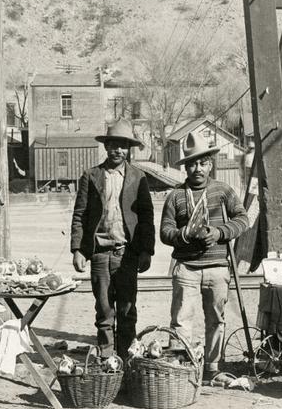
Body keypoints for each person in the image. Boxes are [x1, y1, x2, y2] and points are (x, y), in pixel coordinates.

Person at [160, 133, 249, 384]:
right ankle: (182, 370)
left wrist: (220, 232)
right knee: (181, 322)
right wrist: (184, 234)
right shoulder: (176, 196)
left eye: (203, 163)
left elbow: (243, 219)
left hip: (218, 268)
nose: (197, 168)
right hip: (186, 268)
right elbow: (165, 232)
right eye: (192, 164)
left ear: (211, 164)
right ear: (186, 167)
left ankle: (213, 369)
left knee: (216, 320)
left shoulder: (223, 191)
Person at [71, 118, 154, 358]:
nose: (118, 150)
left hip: (126, 253)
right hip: (99, 254)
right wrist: (78, 248)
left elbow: (147, 217)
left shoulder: (139, 178)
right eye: (114, 144)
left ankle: (127, 360)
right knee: (104, 311)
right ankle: (108, 359)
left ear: (129, 149)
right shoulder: (91, 176)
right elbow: (80, 214)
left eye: (123, 145)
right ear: (106, 147)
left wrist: (146, 250)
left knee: (127, 310)